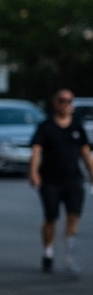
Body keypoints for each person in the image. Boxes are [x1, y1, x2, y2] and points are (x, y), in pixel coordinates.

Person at [29, 88, 93, 274]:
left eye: (69, 101)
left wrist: (91, 174)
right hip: (50, 180)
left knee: (73, 215)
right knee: (51, 217)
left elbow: (85, 154)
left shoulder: (77, 128)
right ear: (55, 103)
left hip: (73, 179)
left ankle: (70, 252)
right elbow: (36, 151)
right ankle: (48, 252)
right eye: (62, 101)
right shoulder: (46, 127)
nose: (66, 104)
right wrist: (34, 172)